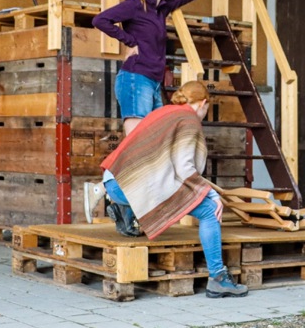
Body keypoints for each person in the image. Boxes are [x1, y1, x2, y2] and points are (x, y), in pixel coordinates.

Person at [99, 80, 247, 298]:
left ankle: (127, 211)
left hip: (113, 181)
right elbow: (184, 168)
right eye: (207, 108)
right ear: (204, 103)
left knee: (160, 182)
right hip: (131, 185)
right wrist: (213, 194)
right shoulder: (189, 119)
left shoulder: (164, 112)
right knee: (208, 210)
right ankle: (218, 278)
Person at [94, 0, 225, 134]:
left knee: (155, 141)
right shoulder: (134, 6)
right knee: (138, 141)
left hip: (153, 82)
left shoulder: (162, 8)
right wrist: (130, 41)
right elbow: (100, 20)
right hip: (136, 78)